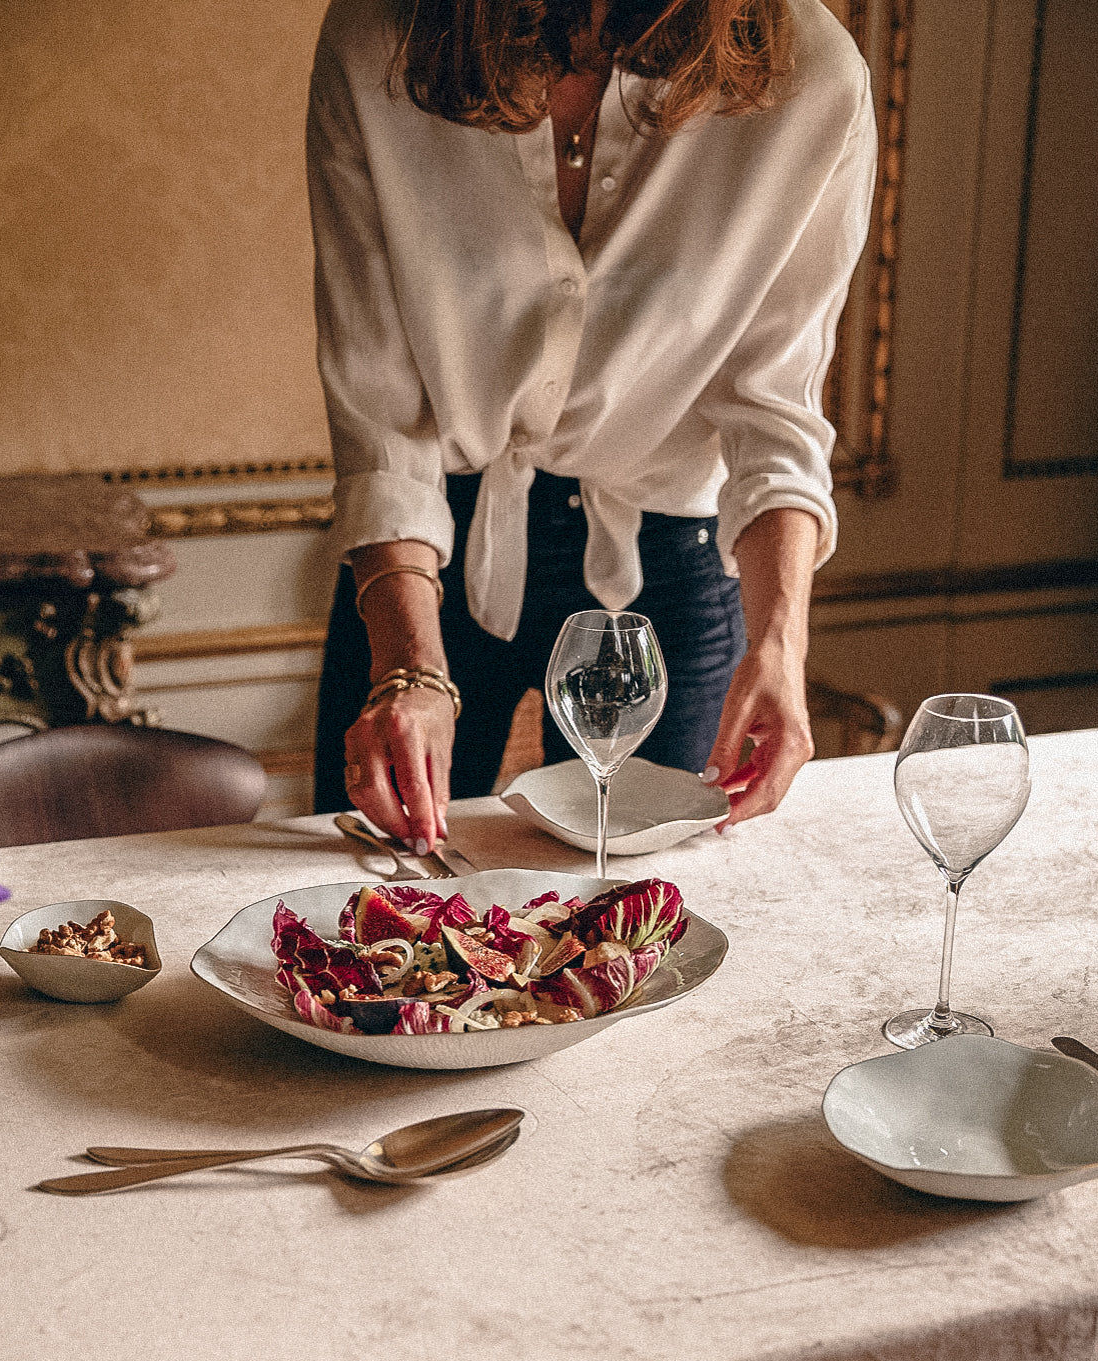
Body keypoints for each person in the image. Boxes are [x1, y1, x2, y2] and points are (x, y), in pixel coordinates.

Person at [308, 0, 876, 852]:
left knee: (644, 918)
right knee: (371, 886)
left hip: (672, 557)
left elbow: (774, 407)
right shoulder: (380, 38)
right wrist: (409, 668)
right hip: (431, 547)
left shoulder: (815, 77)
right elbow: (382, 412)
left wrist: (781, 645)